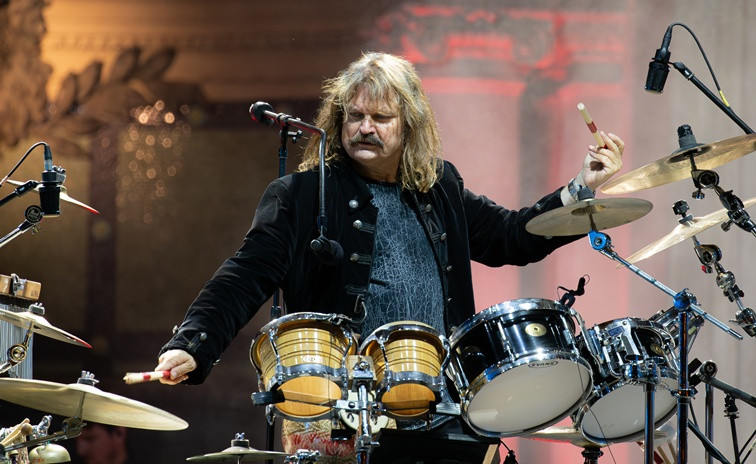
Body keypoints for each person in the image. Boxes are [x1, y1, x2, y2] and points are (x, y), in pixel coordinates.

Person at [154, 52, 624, 462]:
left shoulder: (439, 186)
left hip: (441, 405)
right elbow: (245, 275)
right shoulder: (302, 195)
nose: (365, 127)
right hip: (338, 409)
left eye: (380, 117)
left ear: (409, 125)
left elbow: (510, 238)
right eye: (355, 115)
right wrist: (192, 344)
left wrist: (580, 188)